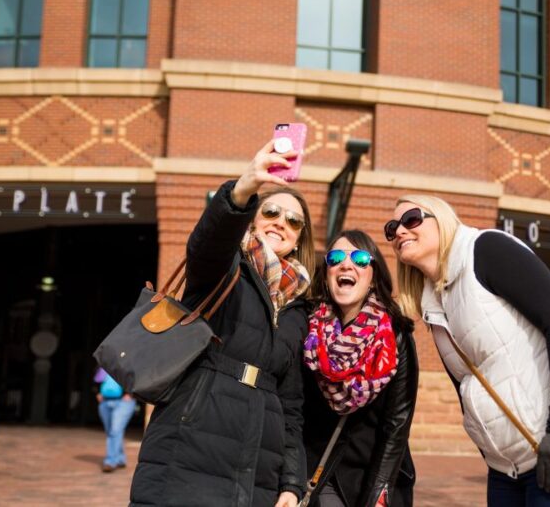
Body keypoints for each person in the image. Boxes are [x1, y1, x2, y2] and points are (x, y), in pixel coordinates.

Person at [386, 196, 550, 506]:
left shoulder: (486, 250)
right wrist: (488, 449)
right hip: (506, 467)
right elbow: (466, 385)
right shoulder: (433, 304)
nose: (400, 231)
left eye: (411, 218)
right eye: (391, 228)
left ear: (441, 219)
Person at [130, 141, 316, 507]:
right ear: (254, 218)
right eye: (271, 211)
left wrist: (292, 482)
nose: (281, 222)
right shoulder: (225, 266)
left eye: (293, 221)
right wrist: (242, 190)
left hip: (258, 463)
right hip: (191, 442)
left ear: (299, 239)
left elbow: (291, 403)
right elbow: (207, 244)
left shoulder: (297, 307)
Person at [303, 230, 418, 507]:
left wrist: (377, 496)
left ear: (373, 277)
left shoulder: (395, 337)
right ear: (326, 274)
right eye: (336, 258)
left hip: (373, 476)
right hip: (320, 475)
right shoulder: (308, 331)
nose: (346, 264)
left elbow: (396, 427)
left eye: (360, 259)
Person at [94, 367, 137, 473]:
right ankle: (120, 458)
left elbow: (138, 377)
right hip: (105, 402)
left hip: (123, 402)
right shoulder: (102, 364)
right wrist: (97, 392)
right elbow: (96, 380)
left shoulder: (128, 362)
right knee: (111, 432)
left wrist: (131, 393)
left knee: (115, 431)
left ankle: (110, 462)